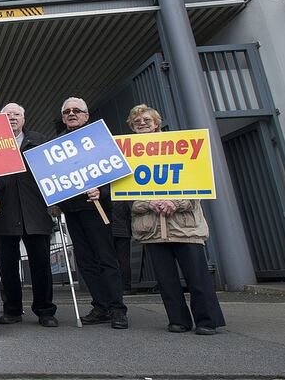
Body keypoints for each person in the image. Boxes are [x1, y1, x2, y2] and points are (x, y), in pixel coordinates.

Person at [127, 104, 225, 335]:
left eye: (146, 120)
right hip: (151, 227)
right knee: (166, 280)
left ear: (157, 122)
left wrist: (176, 202)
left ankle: (207, 320)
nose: (142, 123)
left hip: (184, 225)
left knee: (197, 277)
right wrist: (148, 203)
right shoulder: (128, 153)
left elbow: (197, 183)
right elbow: (126, 195)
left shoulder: (181, 145)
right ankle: (178, 320)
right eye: (137, 121)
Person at [0, 103, 57, 327]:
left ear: (24, 118)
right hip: (4, 212)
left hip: (35, 211)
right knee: (7, 265)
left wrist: (55, 201)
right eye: (7, 115)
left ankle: (45, 310)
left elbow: (53, 170)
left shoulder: (39, 140)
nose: (12, 117)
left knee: (41, 264)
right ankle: (12, 309)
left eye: (16, 114)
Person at [55, 97, 128, 329]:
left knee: (106, 259)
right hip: (72, 211)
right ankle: (101, 306)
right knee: (86, 261)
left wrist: (103, 192)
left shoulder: (100, 139)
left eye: (77, 110)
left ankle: (118, 309)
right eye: (67, 111)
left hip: (97, 210)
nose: (71, 114)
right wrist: (54, 201)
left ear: (86, 115)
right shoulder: (56, 145)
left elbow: (118, 173)